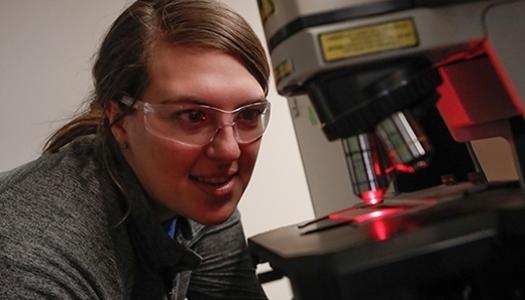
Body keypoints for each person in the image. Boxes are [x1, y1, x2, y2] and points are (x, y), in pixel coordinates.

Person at [0, 0, 271, 299]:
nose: (229, 151)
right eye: (193, 117)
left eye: (248, 114)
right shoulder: (32, 257)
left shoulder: (196, 197)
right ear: (118, 119)